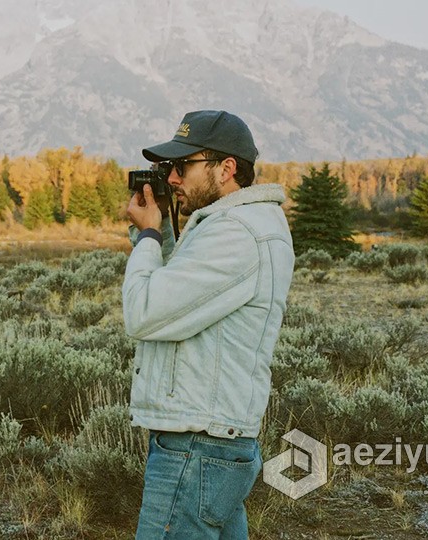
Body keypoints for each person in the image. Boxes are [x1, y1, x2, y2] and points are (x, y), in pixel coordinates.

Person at [123, 110, 295, 539]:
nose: (173, 179)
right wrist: (159, 230)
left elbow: (145, 312)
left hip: (196, 446)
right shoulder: (240, 224)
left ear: (226, 168)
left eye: (182, 167)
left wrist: (146, 237)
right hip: (212, 440)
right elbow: (183, 293)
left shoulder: (235, 231)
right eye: (168, 169)